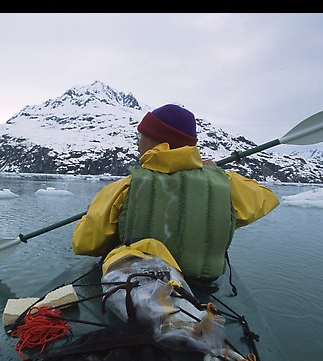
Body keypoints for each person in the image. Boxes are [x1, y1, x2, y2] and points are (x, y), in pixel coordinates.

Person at [72, 104, 279, 281]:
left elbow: (85, 244)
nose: (137, 143)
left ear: (157, 141)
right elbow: (266, 198)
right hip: (203, 285)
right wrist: (215, 172)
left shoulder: (123, 188)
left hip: (139, 281)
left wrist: (89, 215)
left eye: (141, 136)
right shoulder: (226, 184)